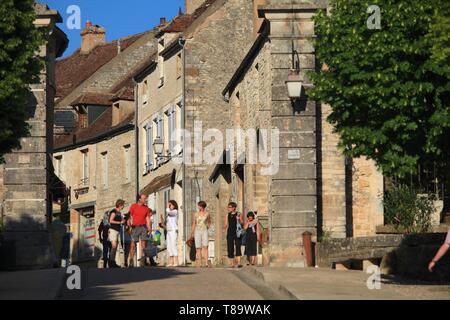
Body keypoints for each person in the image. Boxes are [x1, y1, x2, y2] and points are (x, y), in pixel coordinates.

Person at [128, 194, 152, 267]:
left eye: (146, 198)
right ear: (140, 199)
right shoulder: (133, 206)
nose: (145, 200)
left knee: (143, 244)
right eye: (144, 198)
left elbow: (147, 218)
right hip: (135, 227)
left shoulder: (146, 208)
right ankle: (131, 260)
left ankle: (142, 260)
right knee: (133, 244)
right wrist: (129, 225)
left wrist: (149, 228)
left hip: (143, 227)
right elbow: (129, 216)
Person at [191, 201, 211, 267]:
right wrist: (192, 232)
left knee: (205, 246)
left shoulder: (207, 213)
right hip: (197, 231)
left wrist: (207, 227)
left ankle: (206, 263)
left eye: (199, 206)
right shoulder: (195, 214)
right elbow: (194, 223)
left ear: (202, 206)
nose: (198, 207)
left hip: (204, 230)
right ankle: (200, 263)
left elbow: (209, 221)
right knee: (198, 247)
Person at [223, 202, 244, 268]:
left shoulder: (239, 214)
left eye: (230, 207)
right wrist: (224, 229)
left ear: (234, 208)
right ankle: (231, 263)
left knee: (238, 246)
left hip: (237, 232)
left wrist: (239, 219)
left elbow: (242, 222)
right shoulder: (227, 215)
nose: (228, 208)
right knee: (230, 247)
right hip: (230, 233)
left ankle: (239, 263)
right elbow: (226, 224)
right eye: (228, 207)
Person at [108, 199, 126, 268]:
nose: (123, 206)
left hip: (118, 230)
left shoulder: (119, 213)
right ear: (119, 205)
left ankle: (113, 262)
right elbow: (111, 221)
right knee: (114, 246)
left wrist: (123, 220)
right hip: (113, 230)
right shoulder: (114, 211)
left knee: (115, 247)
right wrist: (119, 222)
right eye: (122, 205)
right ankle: (111, 262)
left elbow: (121, 221)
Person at [164, 200, 179, 267]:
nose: (170, 206)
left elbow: (170, 213)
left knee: (173, 245)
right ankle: (171, 262)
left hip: (173, 230)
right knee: (169, 246)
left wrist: (167, 207)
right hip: (169, 230)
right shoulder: (169, 213)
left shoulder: (175, 211)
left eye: (171, 205)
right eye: (170, 205)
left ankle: (176, 261)